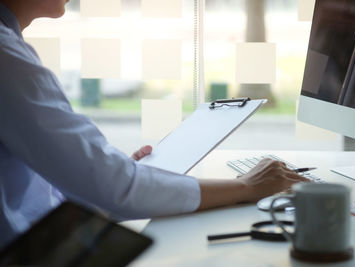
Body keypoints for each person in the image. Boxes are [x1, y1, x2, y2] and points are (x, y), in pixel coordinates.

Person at [0, 0, 307, 250]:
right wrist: (247, 186)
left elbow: (100, 186)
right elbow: (115, 190)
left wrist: (106, 172)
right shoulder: (6, 58)